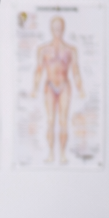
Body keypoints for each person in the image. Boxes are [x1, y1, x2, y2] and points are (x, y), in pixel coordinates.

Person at [32, 15, 84, 164]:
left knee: (63, 121)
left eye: (60, 28)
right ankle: (50, 153)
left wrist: (80, 88)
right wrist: (35, 88)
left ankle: (62, 154)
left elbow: (75, 70)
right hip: (49, 85)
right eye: (55, 28)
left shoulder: (70, 50)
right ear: (51, 29)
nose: (57, 31)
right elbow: (39, 69)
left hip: (64, 86)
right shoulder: (44, 49)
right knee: (50, 121)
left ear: (63, 29)